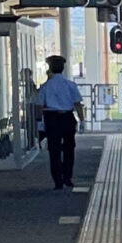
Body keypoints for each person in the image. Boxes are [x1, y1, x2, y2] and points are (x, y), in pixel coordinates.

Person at [35, 55, 82, 189]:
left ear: (50, 68)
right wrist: (82, 119)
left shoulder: (45, 87)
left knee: (54, 150)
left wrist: (39, 122)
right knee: (69, 148)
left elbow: (40, 106)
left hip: (51, 119)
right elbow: (77, 103)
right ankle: (67, 177)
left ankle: (58, 181)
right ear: (63, 68)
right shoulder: (71, 85)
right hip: (67, 118)